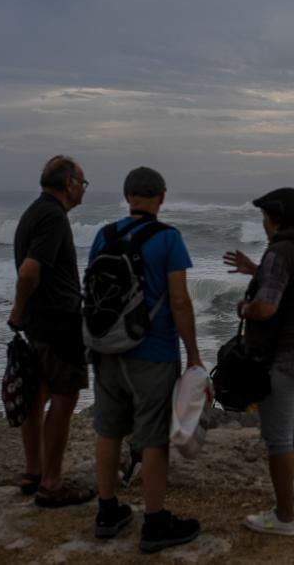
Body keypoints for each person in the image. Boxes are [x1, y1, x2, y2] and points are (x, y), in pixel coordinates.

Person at [87, 167, 206, 553]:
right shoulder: (168, 238)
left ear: (127, 196)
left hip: (106, 350)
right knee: (153, 437)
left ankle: (107, 512)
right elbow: (179, 300)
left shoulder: (103, 234)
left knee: (108, 430)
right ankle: (154, 523)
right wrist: (193, 353)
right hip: (152, 352)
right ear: (162, 197)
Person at [223, 187, 294, 538]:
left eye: (266, 218)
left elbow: (267, 308)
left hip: (284, 360)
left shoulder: (280, 251)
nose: (264, 225)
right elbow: (290, 287)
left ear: (277, 218)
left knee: (278, 439)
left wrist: (243, 308)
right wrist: (255, 270)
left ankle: (284, 517)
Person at [8, 155, 94, 507]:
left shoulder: (34, 212)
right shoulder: (53, 217)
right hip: (59, 320)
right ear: (69, 183)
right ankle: (52, 483)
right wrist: (18, 308)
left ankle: (33, 472)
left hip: (41, 322)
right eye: (83, 182)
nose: (84, 189)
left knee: (37, 394)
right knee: (65, 397)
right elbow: (29, 271)